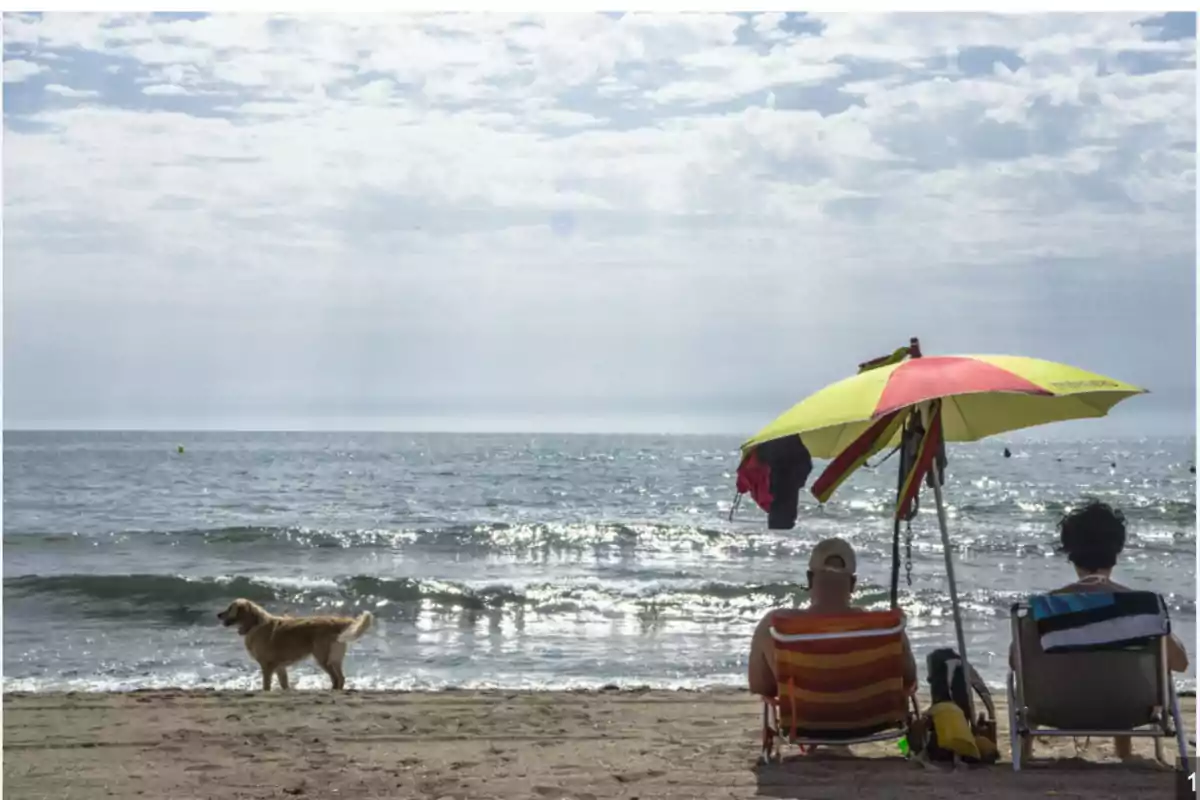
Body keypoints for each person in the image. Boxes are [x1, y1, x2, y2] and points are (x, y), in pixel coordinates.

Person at [1011, 499, 1189, 761]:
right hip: (1128, 710)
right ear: (1117, 550)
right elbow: (1180, 663)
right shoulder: (1142, 607)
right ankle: (1125, 755)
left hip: (1055, 710)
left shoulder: (1044, 609)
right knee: (1123, 666)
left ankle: (1024, 754)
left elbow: (1016, 662)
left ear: (1069, 551)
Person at [748, 537, 918, 699]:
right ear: (852, 584)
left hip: (803, 725)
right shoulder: (885, 627)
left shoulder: (775, 625)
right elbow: (909, 681)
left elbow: (760, 687)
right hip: (875, 725)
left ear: (809, 579)